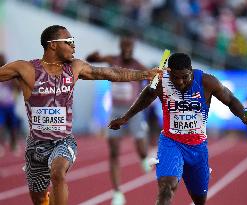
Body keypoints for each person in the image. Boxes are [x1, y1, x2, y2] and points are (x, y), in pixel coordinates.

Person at [0, 25, 162, 205]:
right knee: (39, 199)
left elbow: (110, 73)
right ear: (53, 45)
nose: (74, 47)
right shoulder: (25, 69)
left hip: (63, 141)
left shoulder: (75, 67)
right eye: (69, 42)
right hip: (36, 145)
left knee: (58, 172)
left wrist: (145, 74)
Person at [109, 53, 247, 205]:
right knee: (166, 187)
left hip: (197, 147)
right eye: (175, 77)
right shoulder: (162, 82)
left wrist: (244, 117)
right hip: (171, 143)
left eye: (185, 77)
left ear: (191, 71)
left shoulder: (207, 82)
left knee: (199, 199)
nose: (180, 82)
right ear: (169, 73)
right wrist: (125, 118)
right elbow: (147, 95)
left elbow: (230, 100)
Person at [86, 36, 151, 205]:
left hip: (133, 111)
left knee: (142, 149)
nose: (127, 50)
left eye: (130, 47)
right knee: (114, 152)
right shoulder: (112, 59)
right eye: (125, 47)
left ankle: (143, 157)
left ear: (133, 48)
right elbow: (92, 60)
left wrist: (156, 75)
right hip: (115, 111)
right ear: (121, 47)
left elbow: (153, 79)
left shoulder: (138, 65)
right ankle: (117, 193)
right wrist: (93, 57)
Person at [0, 53, 20, 156]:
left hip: (9, 104)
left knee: (13, 126)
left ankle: (14, 144)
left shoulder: (9, 73)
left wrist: (13, 81)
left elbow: (18, 87)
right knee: (0, 126)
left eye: (3, 59)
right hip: (0, 106)